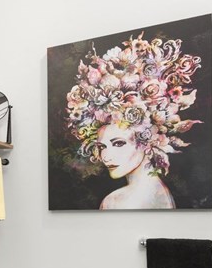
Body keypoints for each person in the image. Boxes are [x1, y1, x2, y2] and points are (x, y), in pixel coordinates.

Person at [64, 33, 203, 209]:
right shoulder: (158, 193)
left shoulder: (116, 202)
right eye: (101, 147)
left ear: (148, 139)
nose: (105, 157)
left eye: (119, 143)